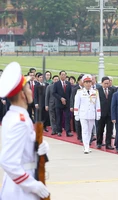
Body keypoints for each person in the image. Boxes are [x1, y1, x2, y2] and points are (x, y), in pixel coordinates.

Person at [0, 62, 49, 199]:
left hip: (20, 181)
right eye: (28, 88)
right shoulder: (19, 121)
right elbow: (7, 160)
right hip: (21, 189)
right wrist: (32, 185)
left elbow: (23, 146)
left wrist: (39, 147)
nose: (30, 91)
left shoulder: (16, 116)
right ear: (22, 95)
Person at [74, 74, 101, 154]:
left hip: (91, 114)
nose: (88, 84)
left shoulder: (95, 92)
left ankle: (87, 145)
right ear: (83, 83)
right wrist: (76, 114)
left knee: (89, 131)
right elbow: (77, 104)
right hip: (83, 114)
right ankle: (86, 147)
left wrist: (98, 113)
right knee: (85, 130)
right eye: (86, 82)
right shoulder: (80, 92)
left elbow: (97, 104)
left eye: (89, 82)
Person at [53, 70, 73, 137]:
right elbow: (54, 93)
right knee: (59, 118)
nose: (63, 76)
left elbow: (71, 93)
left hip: (67, 104)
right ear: (60, 75)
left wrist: (69, 102)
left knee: (67, 117)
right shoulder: (56, 84)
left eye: (64, 75)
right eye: (62, 74)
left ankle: (68, 131)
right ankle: (59, 131)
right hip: (59, 103)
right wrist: (60, 98)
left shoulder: (68, 83)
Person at [96, 76, 115, 150]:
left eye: (108, 83)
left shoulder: (112, 90)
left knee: (109, 130)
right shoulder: (97, 90)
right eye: (105, 83)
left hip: (110, 114)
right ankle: (99, 142)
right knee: (100, 129)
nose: (107, 85)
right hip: (101, 113)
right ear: (102, 83)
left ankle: (108, 144)